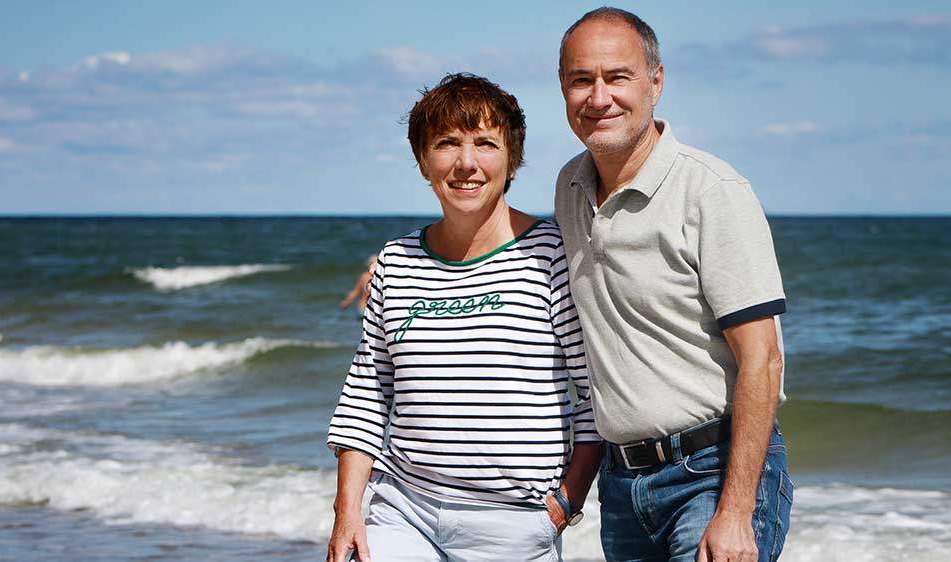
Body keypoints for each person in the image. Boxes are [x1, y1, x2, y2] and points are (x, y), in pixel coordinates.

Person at [326, 73, 603, 562]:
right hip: (403, 510)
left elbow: (595, 395)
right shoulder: (396, 260)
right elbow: (368, 394)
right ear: (422, 161)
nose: (466, 163)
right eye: (447, 144)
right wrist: (347, 513)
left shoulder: (553, 252)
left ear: (512, 158)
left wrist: (566, 503)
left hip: (513, 525)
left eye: (485, 143)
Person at [553, 8, 793, 562]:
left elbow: (763, 359)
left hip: (713, 476)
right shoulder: (569, 185)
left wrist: (734, 512)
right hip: (622, 485)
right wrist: (417, 258)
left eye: (618, 77)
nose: (599, 96)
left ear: (655, 82)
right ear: (563, 89)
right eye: (581, 80)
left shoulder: (712, 190)